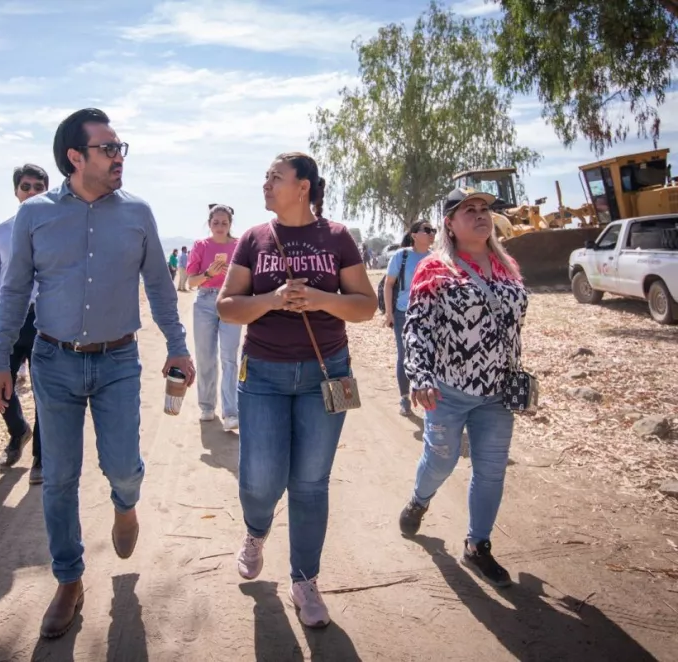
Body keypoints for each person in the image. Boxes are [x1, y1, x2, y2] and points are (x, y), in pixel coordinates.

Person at [0, 108, 195, 639]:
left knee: (123, 467)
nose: (119, 155)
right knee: (58, 478)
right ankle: (69, 580)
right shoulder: (35, 216)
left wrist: (177, 346)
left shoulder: (138, 213)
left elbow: (160, 289)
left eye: (122, 146)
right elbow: (13, 293)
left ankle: (126, 505)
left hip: (118, 361)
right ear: (75, 157)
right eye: (108, 148)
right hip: (53, 362)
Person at [217, 152, 377, 628]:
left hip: (326, 374)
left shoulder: (337, 237)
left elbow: (366, 306)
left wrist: (321, 299)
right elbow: (227, 306)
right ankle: (255, 530)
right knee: (260, 479)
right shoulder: (253, 238)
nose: (266, 184)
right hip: (262, 374)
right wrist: (270, 300)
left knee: (310, 483)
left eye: (275, 177)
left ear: (303, 186)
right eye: (265, 176)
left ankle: (305, 580)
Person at [398, 187, 529, 589]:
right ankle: (420, 500)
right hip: (448, 390)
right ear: (450, 225)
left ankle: (477, 545)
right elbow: (417, 327)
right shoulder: (435, 269)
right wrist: (419, 374)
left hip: (497, 392)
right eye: (467, 210)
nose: (480, 215)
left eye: (484, 208)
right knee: (442, 460)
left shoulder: (507, 267)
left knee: (491, 471)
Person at [0, 163, 50, 483]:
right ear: (16, 191)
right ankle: (18, 430)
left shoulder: (59, 231)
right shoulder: (2, 233)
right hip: (7, 319)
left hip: (47, 318)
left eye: (38, 187)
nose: (31, 192)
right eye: (25, 186)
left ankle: (42, 459)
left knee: (46, 391)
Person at [186, 204, 241, 429]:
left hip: (230, 300)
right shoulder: (200, 246)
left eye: (224, 223)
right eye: (216, 222)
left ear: (230, 225)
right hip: (205, 302)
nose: (220, 227)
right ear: (209, 224)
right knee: (205, 356)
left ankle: (230, 412)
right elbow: (191, 281)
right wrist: (209, 273)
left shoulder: (239, 246)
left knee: (229, 357)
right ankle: (207, 406)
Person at [383, 220, 436, 416]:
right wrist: (389, 313)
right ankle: (404, 397)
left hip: (430, 314)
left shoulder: (436, 258)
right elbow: (389, 285)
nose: (432, 234)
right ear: (414, 235)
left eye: (434, 231)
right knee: (405, 355)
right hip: (403, 312)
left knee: (431, 356)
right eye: (427, 230)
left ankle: (428, 396)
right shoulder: (401, 256)